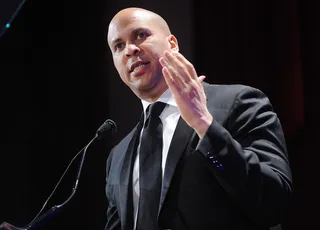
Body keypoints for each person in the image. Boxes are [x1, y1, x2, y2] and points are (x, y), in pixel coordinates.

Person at [104, 7, 292, 230]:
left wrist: (204, 125)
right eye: (119, 46)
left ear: (172, 44)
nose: (130, 50)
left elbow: (275, 200)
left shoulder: (238, 102)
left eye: (141, 35)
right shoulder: (118, 156)